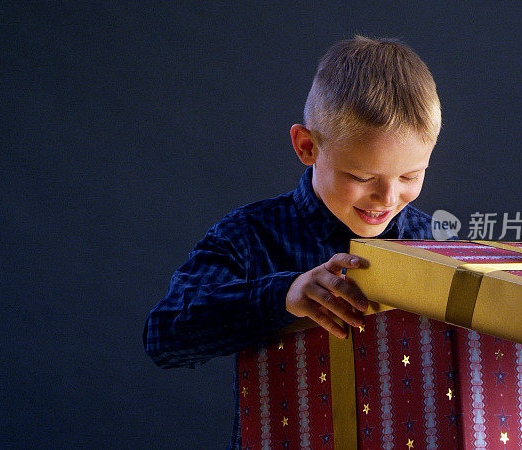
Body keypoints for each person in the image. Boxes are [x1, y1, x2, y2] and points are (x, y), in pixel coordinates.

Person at [143, 35, 442, 448]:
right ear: (306, 146)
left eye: (411, 177)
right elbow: (164, 336)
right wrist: (283, 294)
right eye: (360, 177)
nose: (387, 198)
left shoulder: (433, 243)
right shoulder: (250, 236)